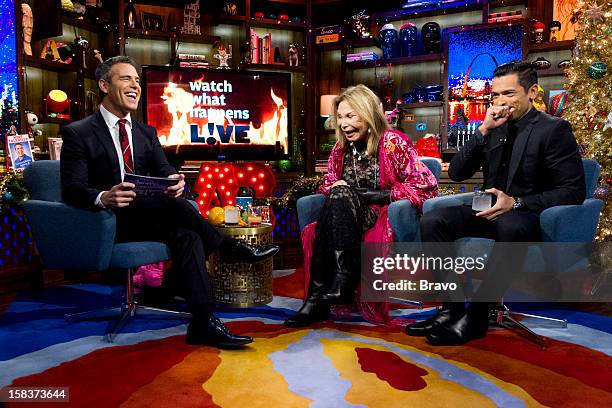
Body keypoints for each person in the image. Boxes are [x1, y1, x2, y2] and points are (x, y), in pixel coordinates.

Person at [61, 56, 279, 348]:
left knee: (188, 233)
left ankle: (202, 322)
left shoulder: (145, 132)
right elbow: (72, 190)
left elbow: (163, 169)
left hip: (146, 219)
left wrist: (174, 180)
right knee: (183, 209)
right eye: (126, 79)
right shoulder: (79, 132)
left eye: (137, 80)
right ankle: (227, 248)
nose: (135, 85)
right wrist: (105, 197)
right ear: (104, 85)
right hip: (107, 222)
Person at [407, 61, 585, 345]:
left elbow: (573, 191)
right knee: (433, 219)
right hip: (485, 207)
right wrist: (482, 131)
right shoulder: (494, 128)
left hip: (526, 213)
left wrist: (516, 202)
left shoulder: (554, 130)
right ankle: (451, 308)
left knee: (510, 228)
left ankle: (477, 315)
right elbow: (456, 173)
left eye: (510, 94)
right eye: (496, 95)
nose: (501, 102)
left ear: (532, 92)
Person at [285, 84, 438, 327]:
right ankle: (335, 286)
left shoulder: (393, 142)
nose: (344, 124)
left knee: (337, 200)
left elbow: (426, 185)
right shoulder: (339, 149)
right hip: (344, 212)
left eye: (350, 116)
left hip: (380, 213)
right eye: (340, 117)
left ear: (367, 114)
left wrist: (380, 194)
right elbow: (328, 184)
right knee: (337, 196)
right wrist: (339, 187)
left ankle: (318, 299)